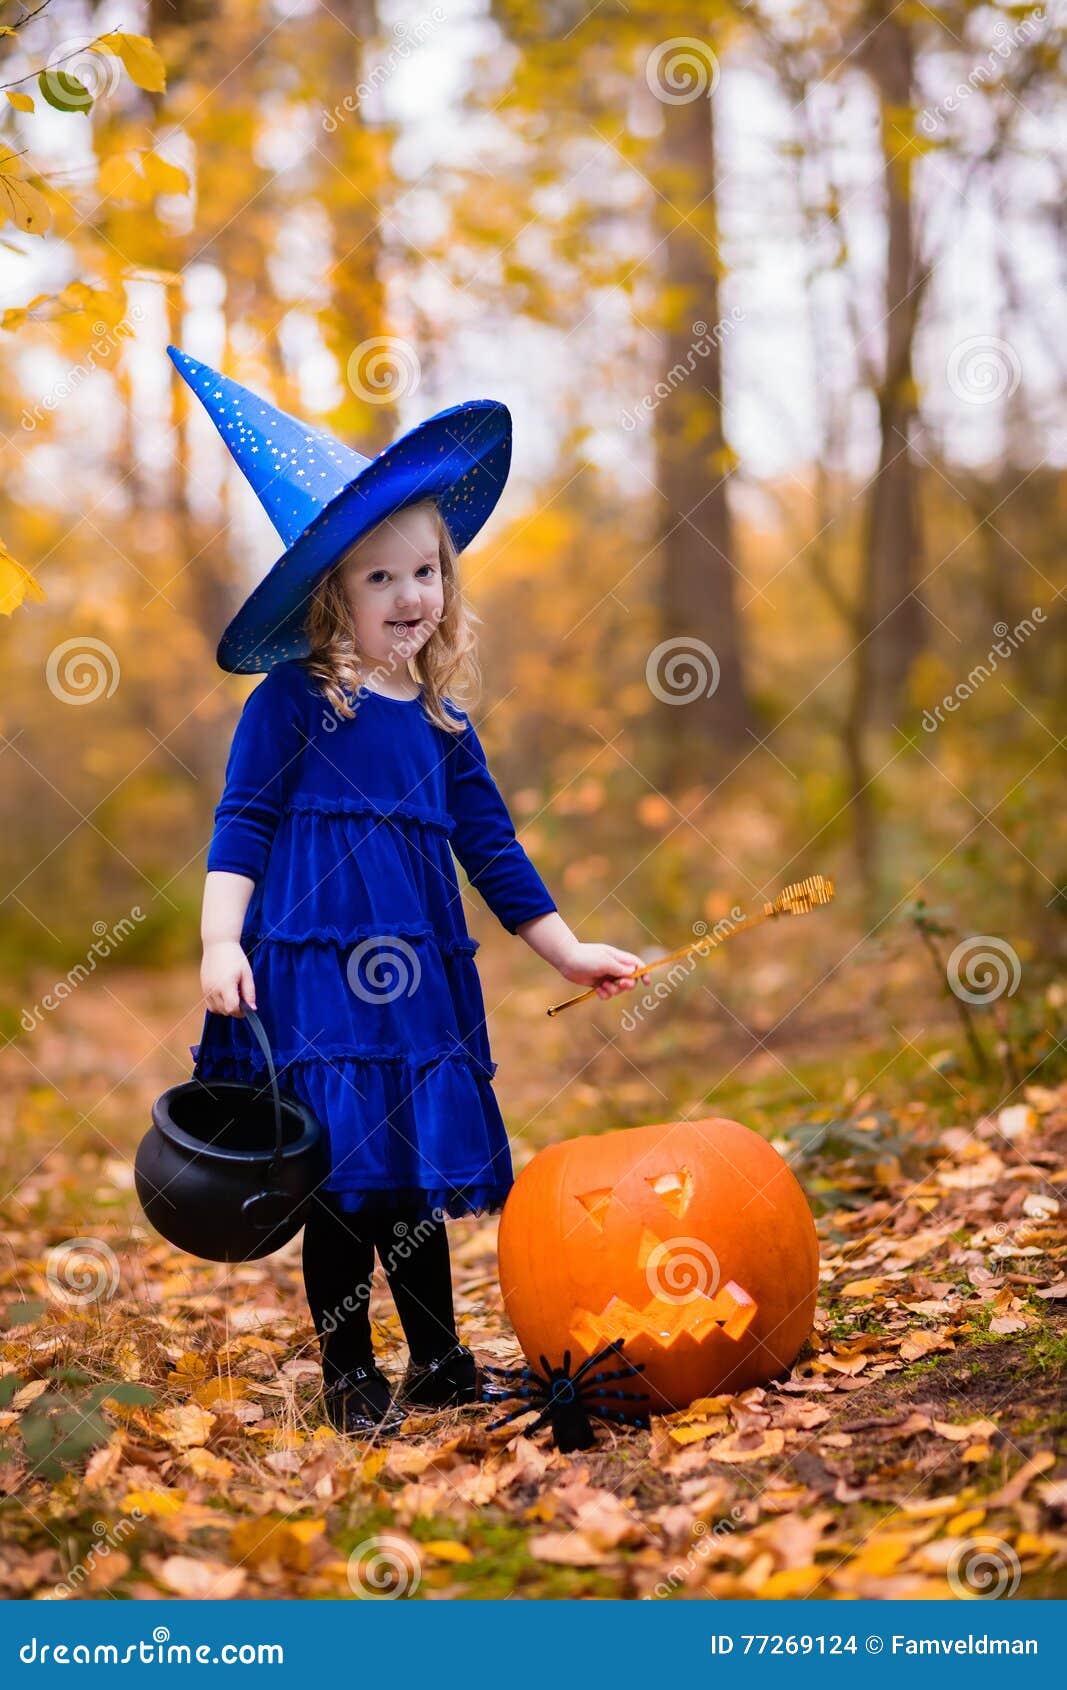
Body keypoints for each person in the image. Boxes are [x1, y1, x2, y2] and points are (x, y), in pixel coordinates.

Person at [171, 347, 650, 1435]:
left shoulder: (440, 721)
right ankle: (351, 1373)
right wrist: (218, 940)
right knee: (341, 1168)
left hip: (421, 971)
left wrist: (566, 948)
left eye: (424, 570)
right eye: (378, 575)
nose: (408, 594)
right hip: (313, 964)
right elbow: (241, 820)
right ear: (333, 591)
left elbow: (490, 847)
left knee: (410, 1167)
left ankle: (436, 1357)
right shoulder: (295, 703)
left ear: (448, 580)